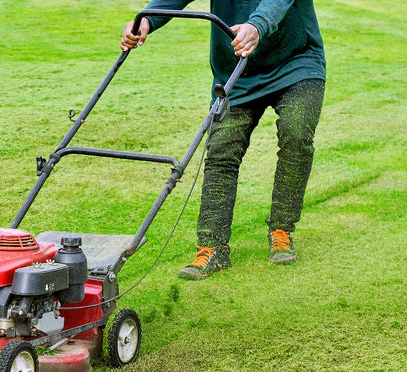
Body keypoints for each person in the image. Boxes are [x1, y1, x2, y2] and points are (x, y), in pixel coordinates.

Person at [121, 0, 326, 280]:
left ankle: (281, 229)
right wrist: (148, 19)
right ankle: (212, 247)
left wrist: (257, 25)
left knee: (296, 133)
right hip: (237, 70)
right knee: (221, 153)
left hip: (296, 61)